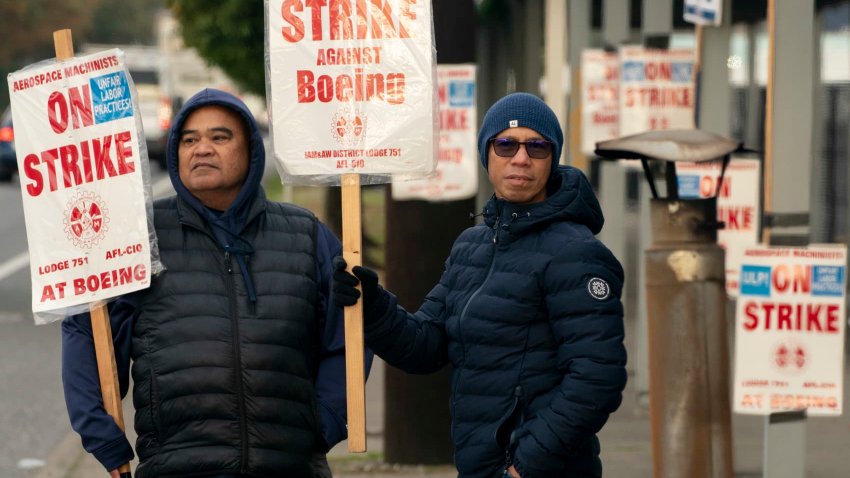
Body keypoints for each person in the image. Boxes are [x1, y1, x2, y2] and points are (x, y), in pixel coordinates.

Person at [62, 88, 367, 478]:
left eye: (219, 137)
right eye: (189, 140)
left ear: (252, 149)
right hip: (176, 467)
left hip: (289, 465)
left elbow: (348, 334)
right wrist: (104, 438)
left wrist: (325, 420)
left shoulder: (305, 234)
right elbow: (89, 333)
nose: (201, 148)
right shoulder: (140, 238)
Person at [333, 92, 627, 478]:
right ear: (486, 153)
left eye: (537, 147)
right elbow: (426, 345)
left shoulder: (576, 252)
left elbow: (597, 378)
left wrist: (524, 466)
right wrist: (372, 305)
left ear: (553, 159)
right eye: (505, 144)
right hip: (480, 466)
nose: (520, 158)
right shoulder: (472, 244)